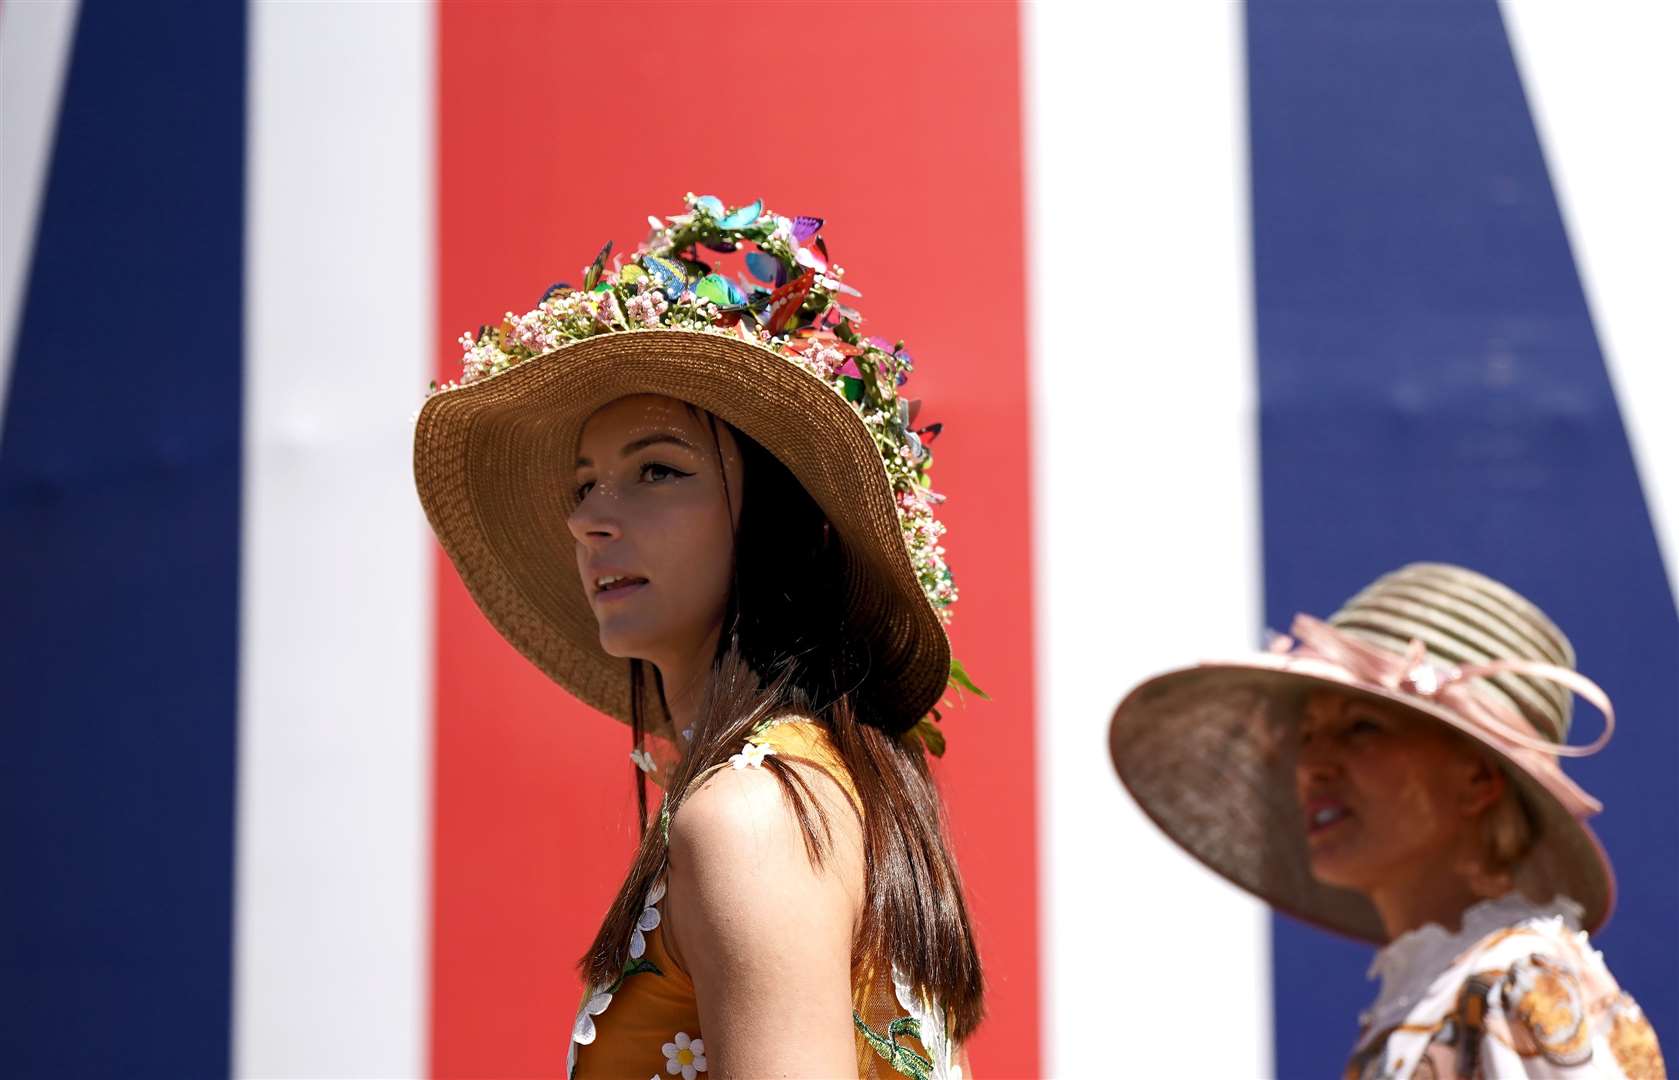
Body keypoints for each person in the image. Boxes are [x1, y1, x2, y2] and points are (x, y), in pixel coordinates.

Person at [414, 195, 981, 1079]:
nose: (590, 522)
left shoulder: (753, 813)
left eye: (655, 470)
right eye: (584, 484)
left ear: (781, 521)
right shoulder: (816, 787)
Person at [1108, 562, 1665, 1078]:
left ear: (1477, 779)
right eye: (1304, 736)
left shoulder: (1520, 978)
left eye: (1362, 728)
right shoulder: (1435, 992)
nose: (1311, 766)